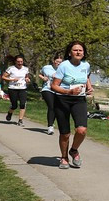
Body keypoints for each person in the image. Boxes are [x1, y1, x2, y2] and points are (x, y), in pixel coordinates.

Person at [50, 40, 93, 170]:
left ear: (84, 53)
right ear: (70, 52)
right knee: (65, 133)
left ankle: (73, 150)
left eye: (80, 50)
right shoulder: (64, 65)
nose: (78, 52)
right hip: (62, 100)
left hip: (79, 100)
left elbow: (86, 77)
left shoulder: (86, 65)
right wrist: (69, 91)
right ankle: (64, 157)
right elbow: (54, 86)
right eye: (75, 50)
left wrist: (89, 87)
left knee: (82, 130)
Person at [2, 54, 31, 126]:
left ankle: (20, 120)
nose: (20, 63)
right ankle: (10, 113)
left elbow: (26, 77)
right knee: (14, 105)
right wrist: (12, 79)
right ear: (15, 62)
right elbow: (3, 77)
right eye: (18, 61)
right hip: (13, 88)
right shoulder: (11, 68)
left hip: (22, 88)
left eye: (21, 61)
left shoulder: (25, 69)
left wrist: (27, 79)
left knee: (22, 104)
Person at [38, 52, 63, 135]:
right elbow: (40, 74)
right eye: (57, 61)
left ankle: (51, 122)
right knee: (51, 106)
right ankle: (50, 126)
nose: (58, 63)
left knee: (56, 107)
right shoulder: (46, 67)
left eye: (60, 62)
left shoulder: (63, 69)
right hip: (47, 89)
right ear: (53, 61)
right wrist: (43, 77)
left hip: (58, 90)